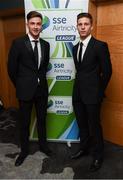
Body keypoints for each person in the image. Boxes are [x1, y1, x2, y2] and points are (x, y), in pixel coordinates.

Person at [8, 11, 52, 167]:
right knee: (24, 123)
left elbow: (43, 67)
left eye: (38, 24)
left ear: (41, 26)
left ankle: (43, 146)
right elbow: (11, 69)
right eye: (32, 23)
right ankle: (24, 151)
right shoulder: (18, 43)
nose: (35, 26)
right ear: (27, 24)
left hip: (41, 91)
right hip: (25, 91)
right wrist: (21, 84)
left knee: (41, 120)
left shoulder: (46, 45)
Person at [71, 12, 112, 172]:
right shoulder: (75, 48)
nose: (82, 27)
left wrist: (99, 92)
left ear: (91, 26)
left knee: (94, 126)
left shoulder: (100, 46)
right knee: (82, 125)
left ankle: (98, 155)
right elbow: (81, 71)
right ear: (77, 26)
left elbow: (107, 72)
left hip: (93, 95)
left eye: (86, 24)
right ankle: (84, 148)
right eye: (80, 24)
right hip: (78, 93)